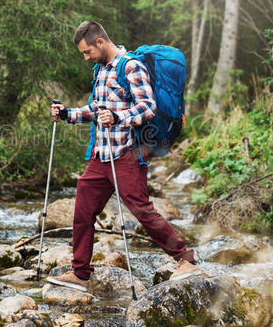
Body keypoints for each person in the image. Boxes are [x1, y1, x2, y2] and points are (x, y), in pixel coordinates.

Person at [47, 20, 200, 292]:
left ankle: (186, 259)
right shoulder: (101, 70)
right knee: (83, 211)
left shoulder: (130, 66)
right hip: (101, 155)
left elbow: (148, 107)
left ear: (100, 42)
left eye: (87, 52)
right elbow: (96, 109)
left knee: (141, 209)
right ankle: (80, 274)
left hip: (126, 154)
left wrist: (119, 117)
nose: (85, 57)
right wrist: (67, 113)